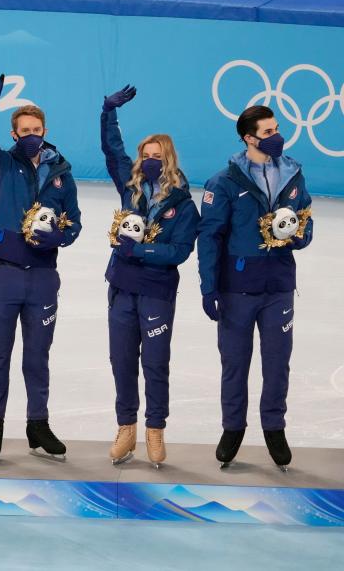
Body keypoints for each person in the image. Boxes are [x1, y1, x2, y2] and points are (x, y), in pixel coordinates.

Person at [0, 65, 82, 465]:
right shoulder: (0, 163)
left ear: (44, 130)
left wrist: (60, 237)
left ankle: (38, 426)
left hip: (43, 278)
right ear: (14, 134)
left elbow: (76, 221)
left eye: (38, 129)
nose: (32, 135)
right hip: (3, 274)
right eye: (25, 130)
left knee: (38, 357)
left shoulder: (61, 173)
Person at [198, 105, 313, 471]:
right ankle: (233, 428)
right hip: (236, 289)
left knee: (277, 364)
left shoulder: (293, 174)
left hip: (278, 285)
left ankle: (274, 428)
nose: (276, 136)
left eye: (277, 129)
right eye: (267, 132)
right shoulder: (224, 183)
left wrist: (296, 236)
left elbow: (306, 222)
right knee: (235, 365)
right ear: (249, 138)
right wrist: (209, 286)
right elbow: (210, 238)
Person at [99, 85, 199, 468]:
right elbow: (112, 150)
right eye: (146, 155)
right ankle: (126, 429)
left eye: (157, 156)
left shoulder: (184, 205)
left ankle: (155, 430)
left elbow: (179, 252)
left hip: (157, 292)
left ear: (169, 159)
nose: (150, 161)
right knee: (122, 361)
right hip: (122, 289)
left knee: (155, 363)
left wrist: (137, 250)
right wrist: (108, 112)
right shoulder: (131, 186)